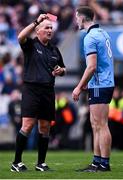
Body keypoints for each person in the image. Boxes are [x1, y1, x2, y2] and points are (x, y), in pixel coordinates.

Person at [11, 13, 66, 172]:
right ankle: (16, 162)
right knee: (27, 125)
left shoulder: (54, 49)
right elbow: (20, 36)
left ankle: (40, 163)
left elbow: (63, 69)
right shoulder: (31, 45)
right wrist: (36, 21)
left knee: (45, 128)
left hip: (48, 91)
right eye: (46, 28)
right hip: (31, 90)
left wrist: (61, 71)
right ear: (38, 31)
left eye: (51, 28)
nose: (50, 30)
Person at [72, 6, 114, 172]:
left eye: (77, 18)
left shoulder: (89, 37)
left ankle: (104, 163)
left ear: (82, 18)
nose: (76, 21)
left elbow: (91, 67)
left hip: (99, 84)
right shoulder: (103, 33)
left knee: (101, 124)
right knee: (95, 123)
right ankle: (97, 162)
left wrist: (79, 86)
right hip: (105, 82)